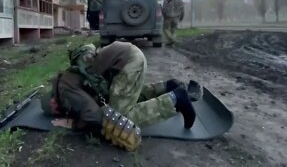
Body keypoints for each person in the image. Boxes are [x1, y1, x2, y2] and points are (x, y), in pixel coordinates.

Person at [41, 41, 201, 151]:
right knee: (122, 97)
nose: (57, 112)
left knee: (117, 118)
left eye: (54, 110)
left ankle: (175, 99)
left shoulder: (66, 89)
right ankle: (167, 86)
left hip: (128, 62)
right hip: (130, 56)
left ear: (54, 101)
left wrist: (73, 124)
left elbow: (95, 117)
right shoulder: (69, 78)